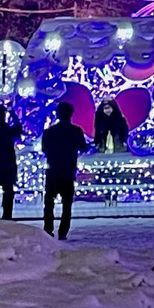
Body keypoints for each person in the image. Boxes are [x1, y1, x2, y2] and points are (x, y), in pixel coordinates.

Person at [41, 101, 88, 239]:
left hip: (53, 169)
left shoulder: (49, 132)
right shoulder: (76, 131)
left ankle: (48, 229)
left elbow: (44, 149)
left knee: (49, 203)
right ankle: (63, 232)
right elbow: (83, 147)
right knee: (67, 205)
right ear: (71, 114)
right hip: (68, 171)